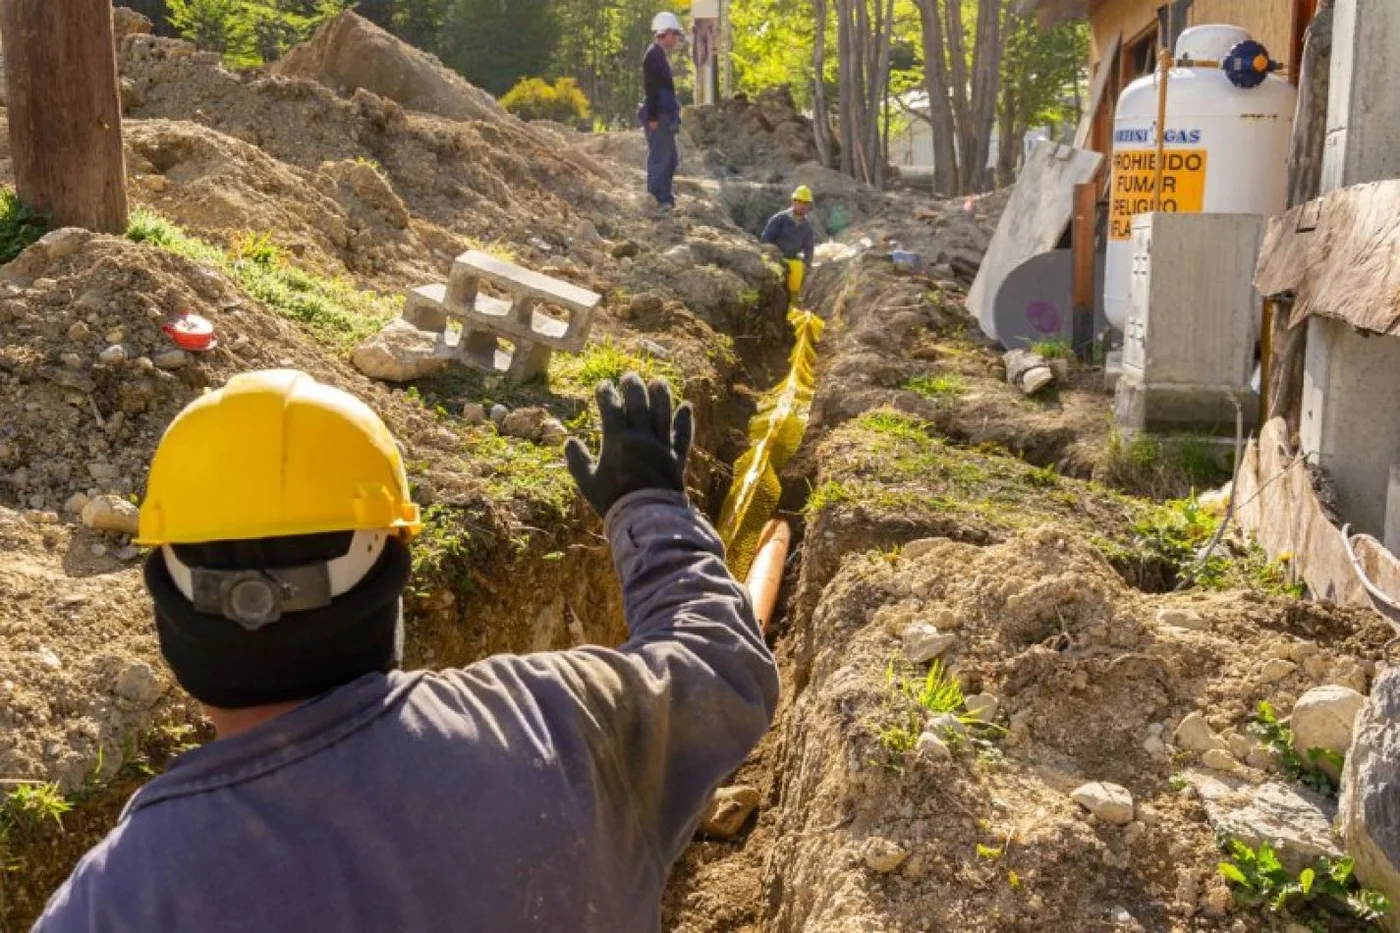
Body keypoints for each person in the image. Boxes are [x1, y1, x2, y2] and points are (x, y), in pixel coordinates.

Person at [34, 368, 779, 933]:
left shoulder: (117, 900)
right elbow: (722, 665)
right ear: (390, 570)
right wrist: (646, 501)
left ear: (169, 602)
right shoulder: (556, 723)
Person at [641, 11, 685, 211]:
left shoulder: (659, 55)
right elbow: (650, 88)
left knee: (670, 157)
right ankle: (657, 198)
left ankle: (664, 195)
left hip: (664, 114)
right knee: (661, 156)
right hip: (658, 115)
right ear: (664, 32)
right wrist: (652, 116)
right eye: (674, 34)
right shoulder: (653, 56)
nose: (676, 39)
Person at [761, 185, 817, 301]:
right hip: (776, 259)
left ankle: (793, 303)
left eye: (805, 203)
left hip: (793, 260)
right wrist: (773, 256)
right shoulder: (779, 219)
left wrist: (807, 263)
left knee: (795, 288)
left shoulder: (807, 226)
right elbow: (766, 240)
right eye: (800, 202)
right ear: (793, 202)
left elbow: (809, 247)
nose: (802, 206)